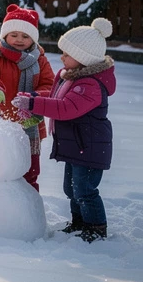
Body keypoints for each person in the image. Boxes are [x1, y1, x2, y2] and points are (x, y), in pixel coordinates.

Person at [13, 17, 116, 242]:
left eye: (67, 54)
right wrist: (31, 97)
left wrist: (32, 105)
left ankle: (96, 228)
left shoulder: (90, 85)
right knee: (71, 189)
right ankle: (79, 223)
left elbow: (66, 108)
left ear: (82, 58)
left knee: (84, 190)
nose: (62, 58)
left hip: (88, 147)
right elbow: (53, 98)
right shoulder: (71, 78)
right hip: (76, 145)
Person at [0, 3, 54, 191]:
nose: (19, 40)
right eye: (14, 35)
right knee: (2, 166)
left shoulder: (39, 58)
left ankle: (29, 205)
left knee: (30, 169)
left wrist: (34, 98)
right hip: (3, 120)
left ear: (33, 39)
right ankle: (2, 204)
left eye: (25, 36)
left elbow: (50, 85)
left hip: (31, 123)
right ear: (5, 35)